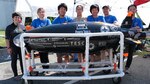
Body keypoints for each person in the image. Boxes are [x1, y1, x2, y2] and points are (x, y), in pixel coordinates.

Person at [122, 4, 143, 74]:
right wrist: (134, 28)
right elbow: (122, 28)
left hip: (134, 40)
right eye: (130, 9)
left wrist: (132, 29)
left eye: (134, 9)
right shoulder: (126, 19)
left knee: (130, 54)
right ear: (127, 11)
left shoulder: (138, 20)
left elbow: (140, 30)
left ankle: (127, 68)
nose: (132, 11)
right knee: (123, 54)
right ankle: (119, 67)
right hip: (125, 39)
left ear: (136, 10)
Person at [5, 12, 24, 80]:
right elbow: (7, 39)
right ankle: (15, 75)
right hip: (13, 47)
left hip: (21, 47)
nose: (17, 18)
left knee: (23, 60)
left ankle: (23, 73)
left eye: (18, 17)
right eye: (15, 17)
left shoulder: (22, 26)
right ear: (13, 18)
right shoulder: (9, 27)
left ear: (20, 19)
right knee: (14, 60)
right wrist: (8, 48)